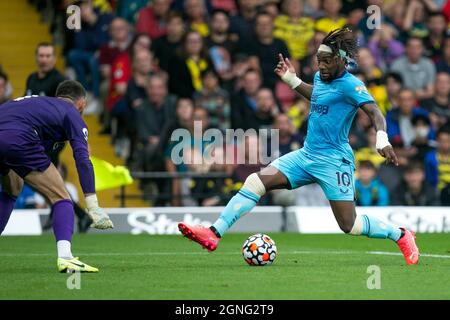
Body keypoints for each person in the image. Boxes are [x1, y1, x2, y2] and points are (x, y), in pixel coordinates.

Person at [178, 28, 420, 265]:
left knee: (350, 226)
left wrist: (382, 138)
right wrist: (293, 81)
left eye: (326, 61)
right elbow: (318, 96)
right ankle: (213, 232)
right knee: (256, 181)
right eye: (318, 61)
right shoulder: (319, 77)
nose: (321, 66)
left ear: (341, 60)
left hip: (334, 161)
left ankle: (401, 235)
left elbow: (374, 111)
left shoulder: (351, 85)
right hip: (306, 155)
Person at [0, 80, 113, 272]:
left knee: (13, 188)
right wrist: (92, 205)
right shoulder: (71, 113)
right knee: (61, 196)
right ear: (82, 104)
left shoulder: (38, 104)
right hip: (18, 138)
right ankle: (66, 257)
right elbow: (83, 160)